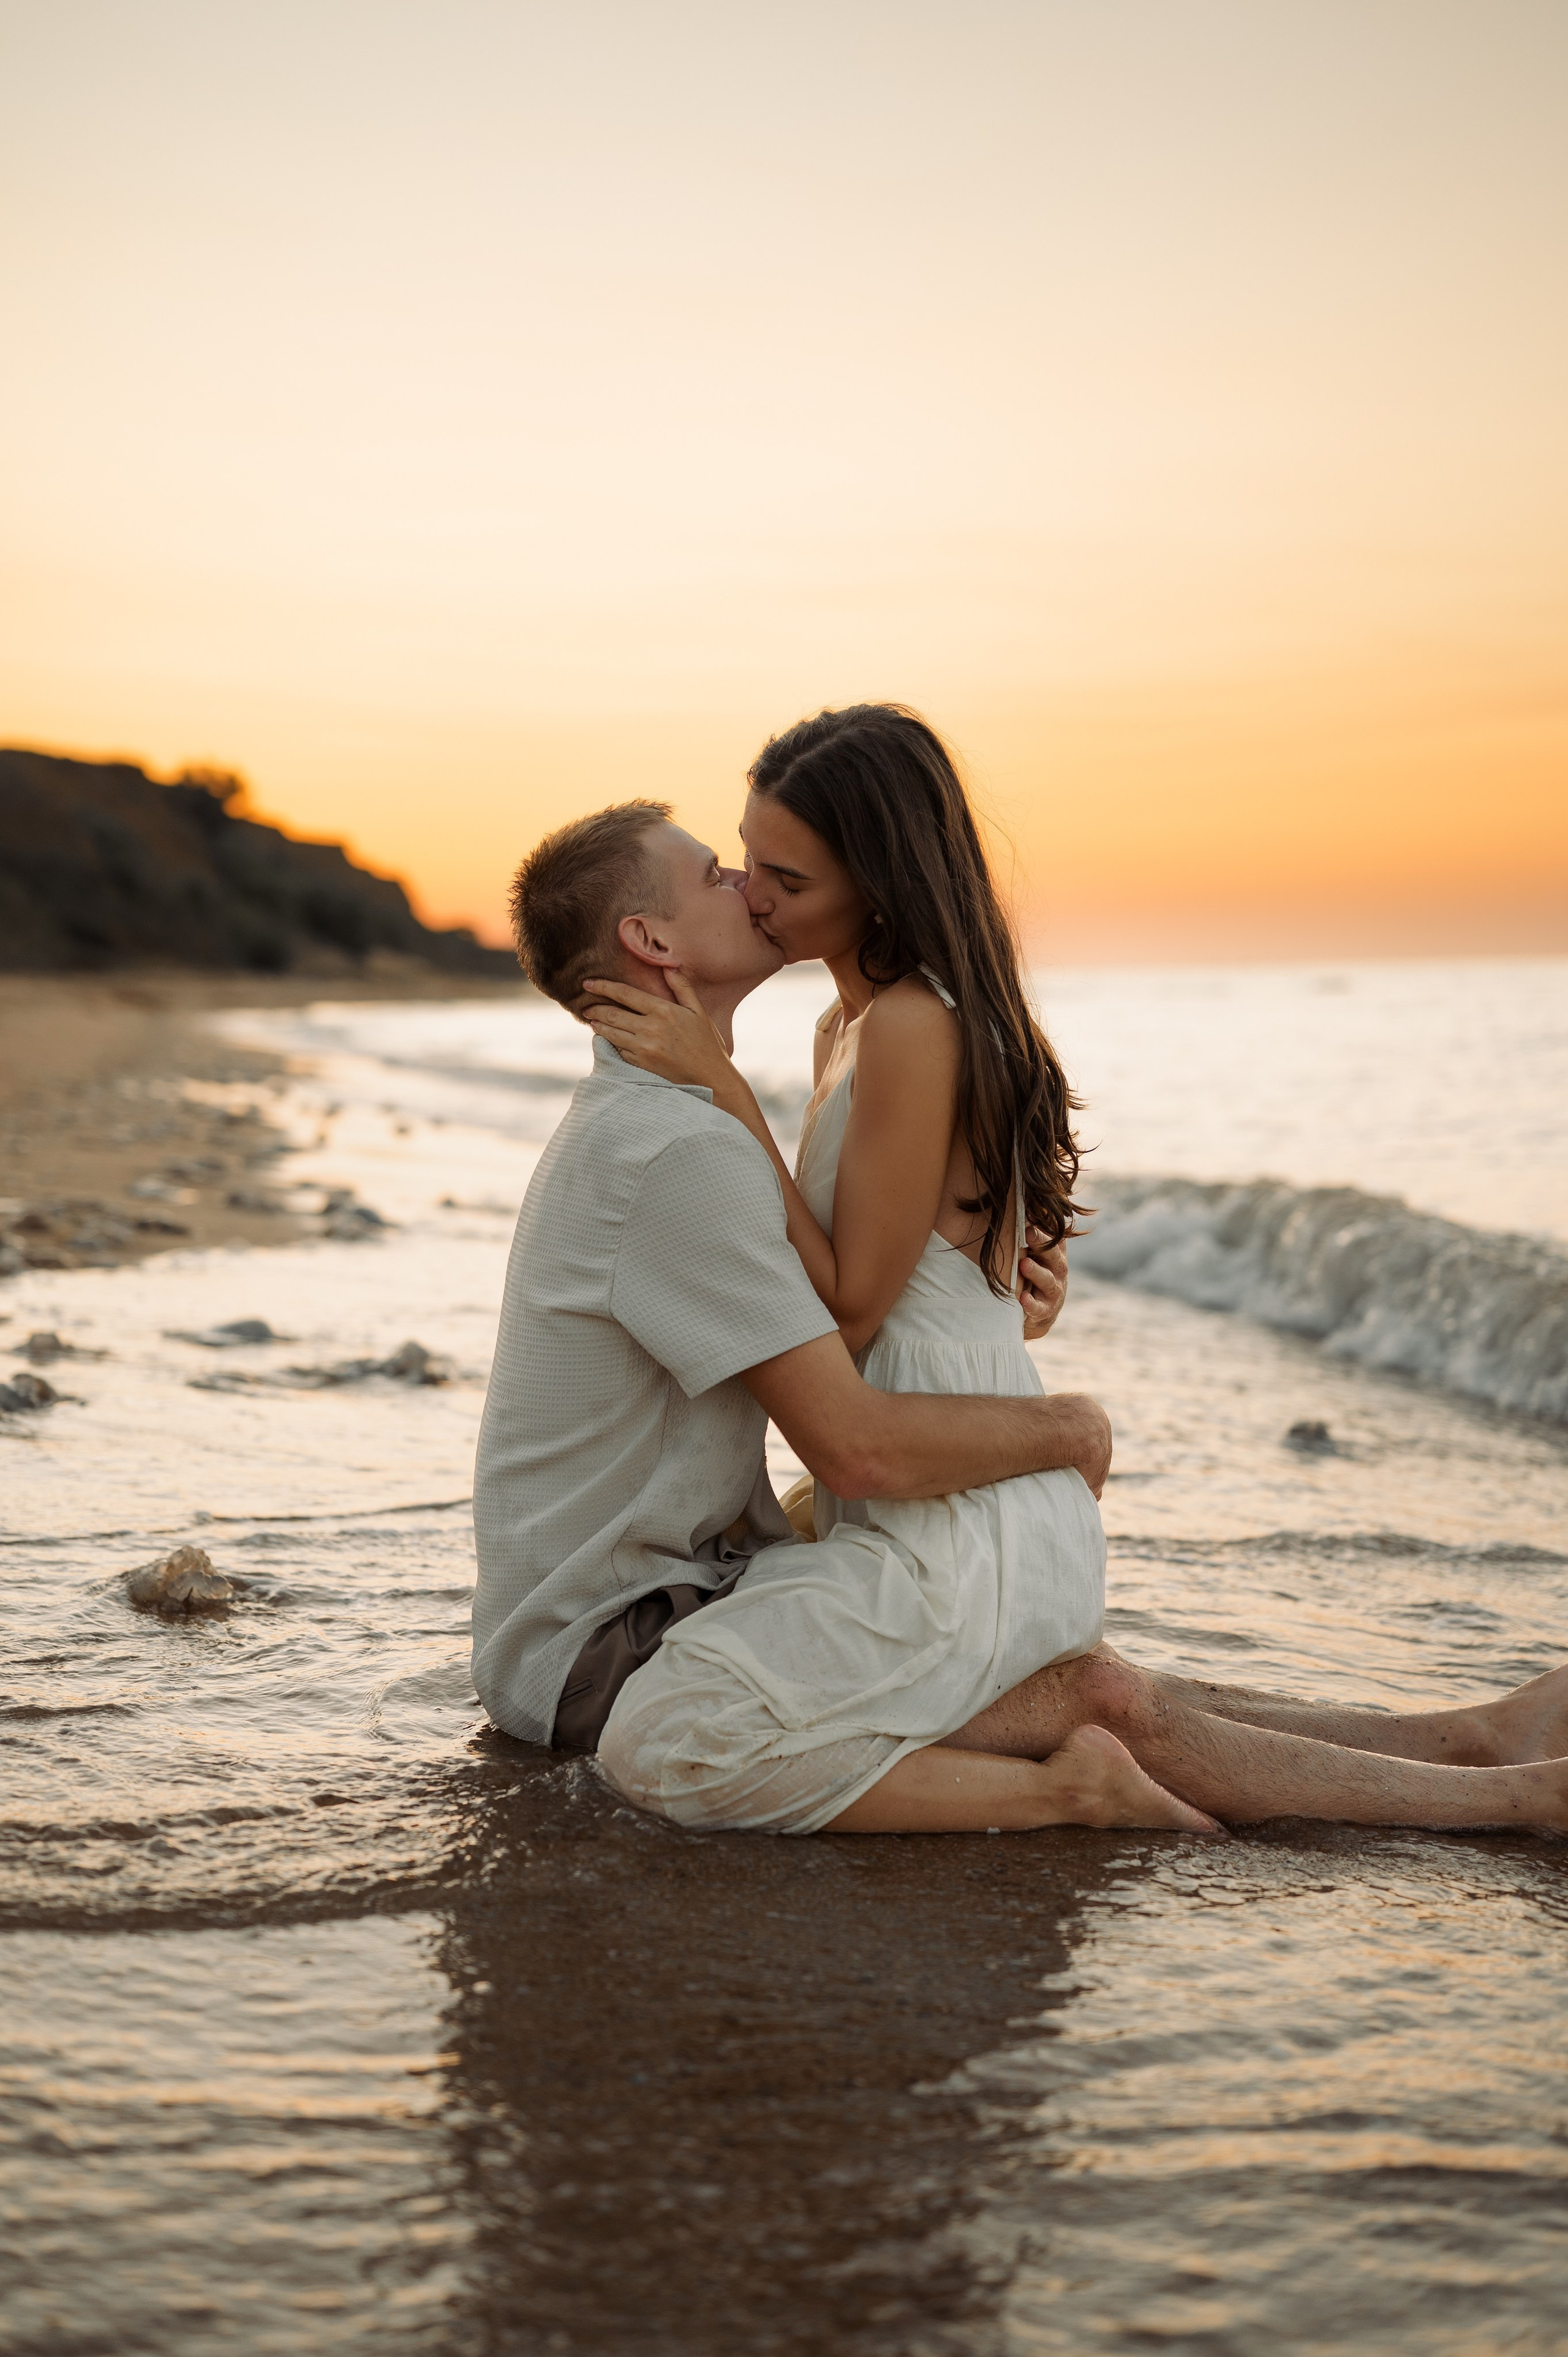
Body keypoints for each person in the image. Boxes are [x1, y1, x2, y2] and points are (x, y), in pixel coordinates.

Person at [478, 772, 1568, 1836]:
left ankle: (1471, 1743)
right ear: (651, 942)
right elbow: (853, 1435)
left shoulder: (703, 1115)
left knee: (1085, 1688)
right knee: (1077, 1700)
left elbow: (859, 1289)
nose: (749, 884)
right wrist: (1067, 1428)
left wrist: (972, 1269)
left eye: (763, 866)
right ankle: (1483, 1786)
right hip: (613, 1640)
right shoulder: (673, 1145)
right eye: (718, 872)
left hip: (693, 1576)